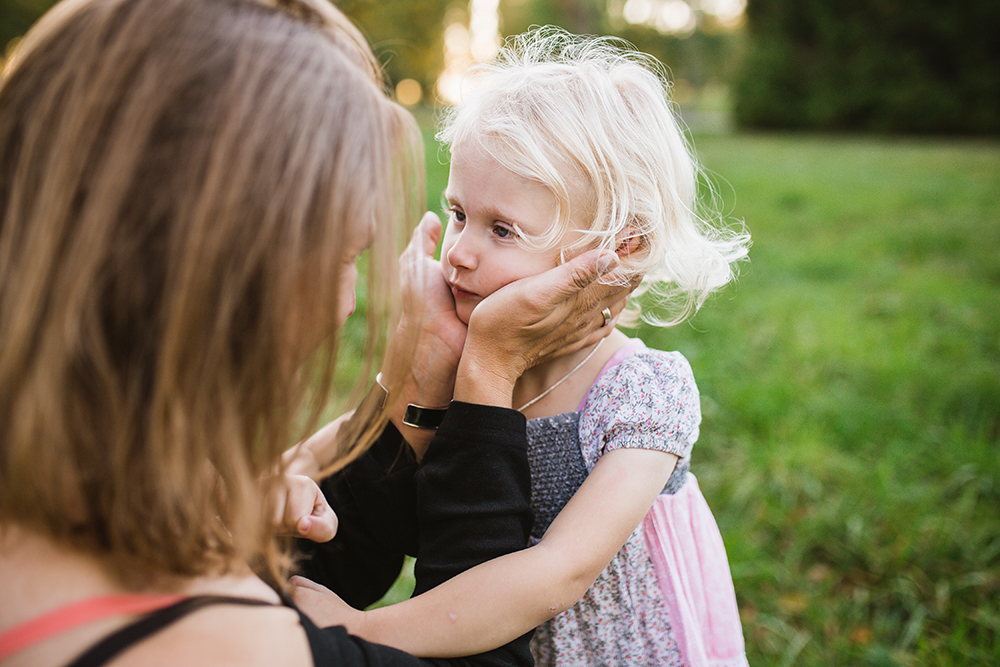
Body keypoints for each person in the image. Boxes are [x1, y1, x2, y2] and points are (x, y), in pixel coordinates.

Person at [0, 3, 631, 666]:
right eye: (342, 257)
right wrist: (486, 381)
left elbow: (305, 576)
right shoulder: (213, 645)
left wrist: (414, 394)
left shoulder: (93, 477)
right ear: (219, 276)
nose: (347, 304)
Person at [290, 28, 752, 667]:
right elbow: (366, 440)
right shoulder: (460, 344)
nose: (460, 252)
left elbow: (557, 574)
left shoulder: (639, 391)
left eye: (503, 229)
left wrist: (359, 632)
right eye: (457, 213)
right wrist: (285, 475)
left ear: (621, 247)